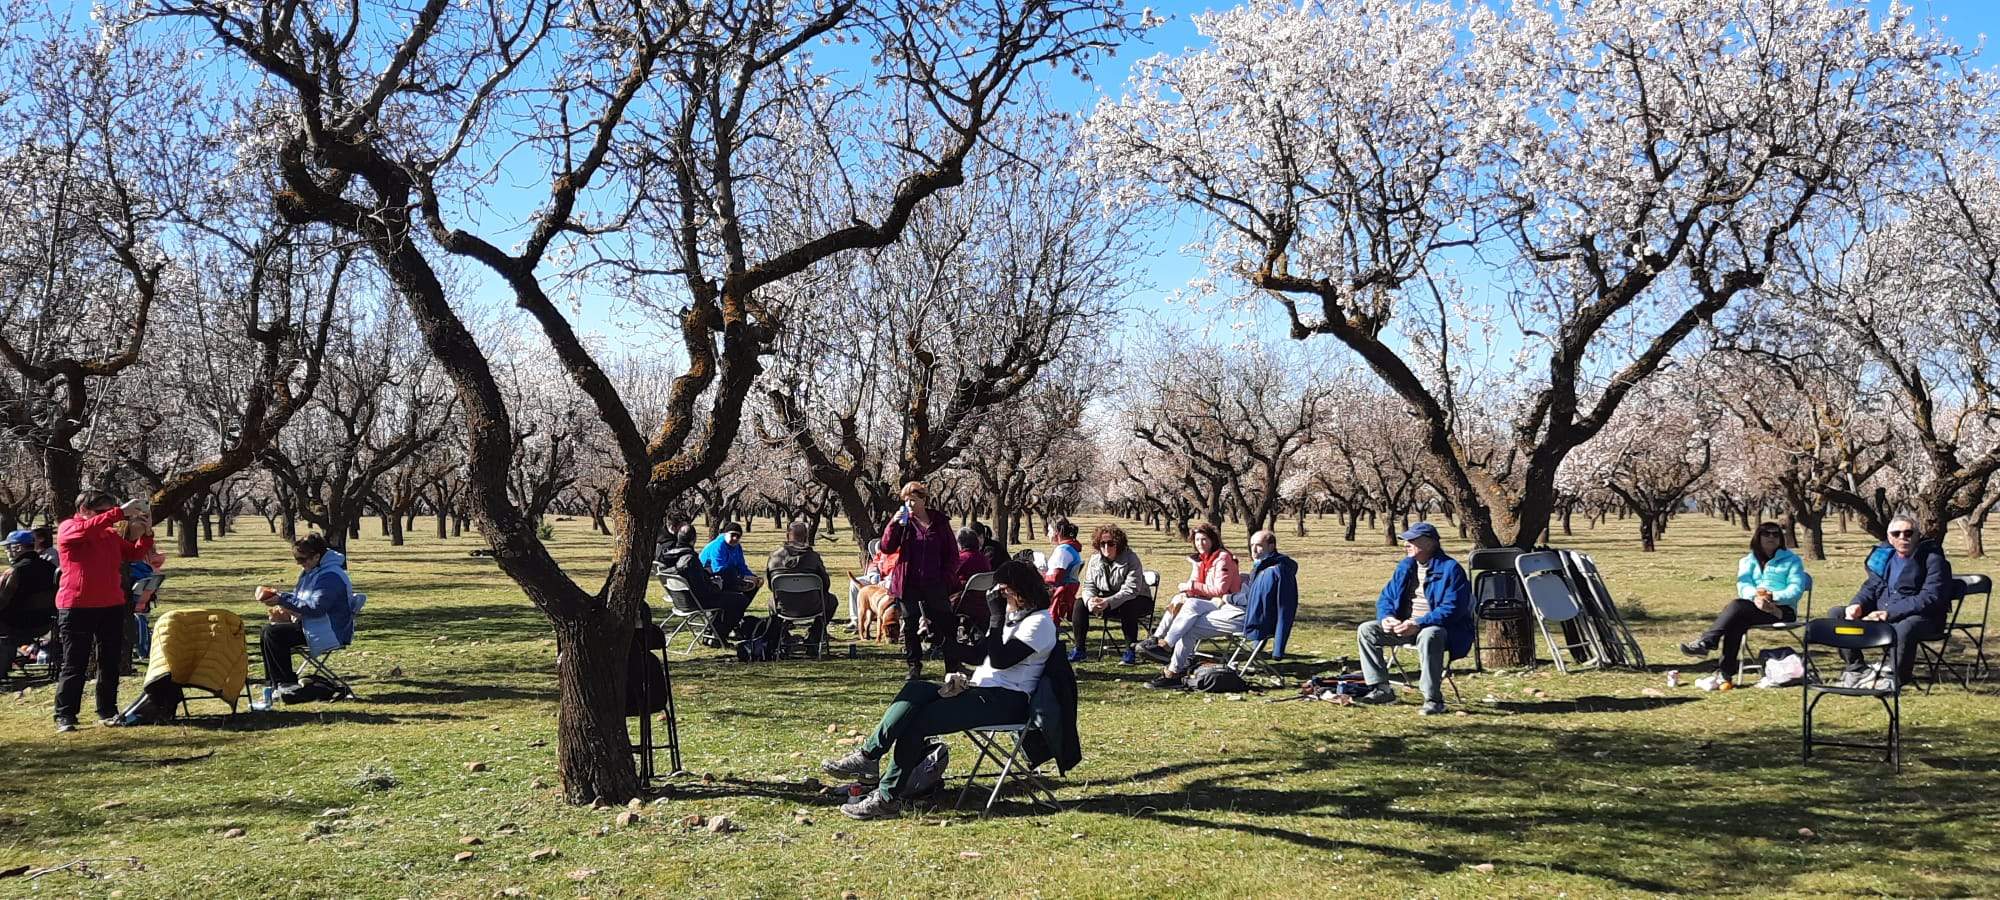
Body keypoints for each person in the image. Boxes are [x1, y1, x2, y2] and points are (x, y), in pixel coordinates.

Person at [820, 560, 1059, 820]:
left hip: (1008, 702)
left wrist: (995, 617)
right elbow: (981, 655)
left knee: (917, 722)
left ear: (1019, 591)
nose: (999, 597)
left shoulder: (1040, 623)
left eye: (1003, 591)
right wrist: (944, 642)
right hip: (982, 691)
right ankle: (868, 756)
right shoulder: (1013, 618)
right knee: (915, 690)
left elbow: (1002, 659)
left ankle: (887, 798)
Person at [52, 492, 150, 733]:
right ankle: (66, 715)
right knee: (75, 662)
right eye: (102, 512)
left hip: (111, 604)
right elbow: (86, 531)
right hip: (76, 605)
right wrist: (117, 513)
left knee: (109, 661)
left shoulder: (108, 534)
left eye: (110, 511)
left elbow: (132, 554)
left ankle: (107, 710)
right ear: (84, 509)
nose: (108, 517)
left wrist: (146, 534)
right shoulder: (69, 527)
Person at [1354, 522, 1473, 715]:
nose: (1406, 545)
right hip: (1404, 626)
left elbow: (1453, 609)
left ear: (1429, 544)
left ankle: (1433, 699)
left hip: (1440, 628)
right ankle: (1381, 689)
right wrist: (1387, 617)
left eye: (1412, 541)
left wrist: (1418, 623)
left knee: (1430, 635)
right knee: (1367, 630)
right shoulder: (1406, 566)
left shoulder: (1451, 569)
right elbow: (1387, 596)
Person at [1828, 513, 1954, 690]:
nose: (1903, 537)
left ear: (1918, 535)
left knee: (1905, 626)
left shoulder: (1934, 560)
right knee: (1837, 614)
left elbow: (1931, 597)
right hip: (1881, 615)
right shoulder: (1883, 559)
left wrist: (1889, 613)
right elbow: (1871, 587)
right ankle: (1857, 668)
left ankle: (1895, 677)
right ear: (1890, 537)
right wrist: (1857, 604)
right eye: (1897, 534)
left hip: (1923, 618)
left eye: (1908, 533)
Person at [1679, 522, 1809, 688]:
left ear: (1781, 539)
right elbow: (1743, 586)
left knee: (1737, 608)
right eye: (1766, 534)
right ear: (1758, 537)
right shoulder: (1747, 561)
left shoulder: (1792, 560)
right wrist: (1756, 597)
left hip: (1783, 610)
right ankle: (1724, 674)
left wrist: (1773, 598)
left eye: (1775, 534)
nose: (1771, 537)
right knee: (1738, 619)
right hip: (1754, 607)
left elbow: (1796, 589)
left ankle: (1708, 644)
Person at [1145, 529, 1277, 689]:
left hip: (1247, 616)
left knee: (1190, 622)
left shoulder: (1270, 570)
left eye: (1259, 546)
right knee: (1185, 607)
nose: (1254, 550)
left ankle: (1171, 666)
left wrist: (1232, 596)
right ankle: (1166, 651)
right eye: (1252, 545)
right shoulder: (1262, 566)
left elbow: (1235, 594)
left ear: (1271, 546)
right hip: (1233, 608)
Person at [254, 533, 358, 704]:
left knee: (273, 633)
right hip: (314, 626)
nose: (300, 564)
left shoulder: (330, 576)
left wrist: (282, 599)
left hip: (330, 631)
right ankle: (275, 684)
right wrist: (285, 611)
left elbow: (316, 608)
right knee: (268, 630)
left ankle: (286, 684)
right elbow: (302, 602)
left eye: (302, 559)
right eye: (297, 559)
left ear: (317, 556)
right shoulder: (310, 572)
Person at [879, 481, 959, 680]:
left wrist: (946, 576)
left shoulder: (939, 522)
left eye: (913, 500)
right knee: (910, 624)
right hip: (909, 582)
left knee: (946, 623)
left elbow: (952, 554)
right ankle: (914, 666)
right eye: (906, 500)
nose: (910, 505)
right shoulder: (904, 522)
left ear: (923, 500)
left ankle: (952, 666)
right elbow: (886, 547)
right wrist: (893, 524)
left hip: (935, 582)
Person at [1135, 523, 1240, 663]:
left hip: (1224, 602)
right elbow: (1195, 582)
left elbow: (1219, 590)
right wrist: (1188, 589)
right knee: (1179, 598)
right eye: (1197, 540)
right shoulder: (1200, 559)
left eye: (1204, 539)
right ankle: (1156, 638)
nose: (1200, 543)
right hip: (1206, 598)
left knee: (1192, 604)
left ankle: (1167, 645)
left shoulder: (1223, 558)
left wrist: (1191, 586)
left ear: (1213, 540)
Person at [658, 522, 752, 646]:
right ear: (693, 540)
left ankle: (713, 633)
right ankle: (718, 636)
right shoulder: (689, 559)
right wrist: (716, 586)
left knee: (732, 597)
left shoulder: (667, 556)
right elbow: (703, 589)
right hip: (696, 601)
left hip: (680, 600)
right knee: (740, 600)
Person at [1077, 524, 1152, 665]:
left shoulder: (1131, 558)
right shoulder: (1094, 560)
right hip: (1107, 599)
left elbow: (1131, 589)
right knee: (1080, 604)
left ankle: (1130, 651)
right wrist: (1090, 601)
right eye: (1102, 543)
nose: (1106, 547)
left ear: (1119, 544)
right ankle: (1079, 649)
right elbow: (1088, 585)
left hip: (1137, 599)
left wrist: (1108, 602)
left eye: (1111, 543)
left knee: (1128, 606)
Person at [766, 520, 839, 647]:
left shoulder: (774, 557)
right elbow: (825, 584)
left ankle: (783, 637)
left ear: (787, 535)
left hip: (783, 606)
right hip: (812, 605)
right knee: (832, 601)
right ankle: (815, 637)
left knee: (771, 602)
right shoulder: (813, 557)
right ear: (806, 537)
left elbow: (771, 586)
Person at [0, 530, 60, 681]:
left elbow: (2, 602)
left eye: (8, 547)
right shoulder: (51, 568)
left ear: (18, 548)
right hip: (45, 624)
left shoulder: (15, 571)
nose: (6, 551)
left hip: (15, 625)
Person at [1041, 517, 1085, 660]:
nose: (1048, 534)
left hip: (1058, 593)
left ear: (1057, 532)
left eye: (1049, 530)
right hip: (1065, 593)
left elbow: (1055, 577)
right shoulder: (1071, 548)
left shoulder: (1063, 551)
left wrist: (1039, 575)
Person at [700, 522, 762, 601]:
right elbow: (718, 569)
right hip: (710, 577)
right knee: (731, 572)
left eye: (738, 536)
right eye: (733, 535)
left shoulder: (737, 546)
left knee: (755, 584)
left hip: (728, 575)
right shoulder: (718, 545)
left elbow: (741, 565)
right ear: (725, 534)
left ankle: (741, 608)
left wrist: (752, 577)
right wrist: (742, 578)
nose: (735, 538)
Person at [952, 527, 997, 637]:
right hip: (983, 603)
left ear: (959, 543)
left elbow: (950, 579)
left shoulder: (961, 559)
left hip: (964, 603)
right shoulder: (984, 559)